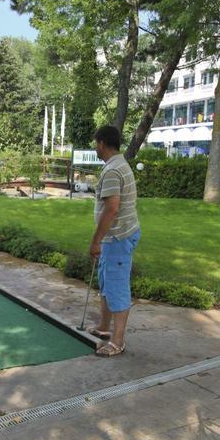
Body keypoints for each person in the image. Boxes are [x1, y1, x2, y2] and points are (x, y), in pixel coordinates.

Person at [88, 125, 141, 357]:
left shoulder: (112, 171)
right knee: (107, 282)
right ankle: (103, 328)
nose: (95, 148)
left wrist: (96, 240)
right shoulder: (119, 164)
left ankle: (117, 341)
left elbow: (111, 209)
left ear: (101, 143)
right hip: (117, 235)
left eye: (95, 143)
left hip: (117, 237)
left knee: (117, 286)